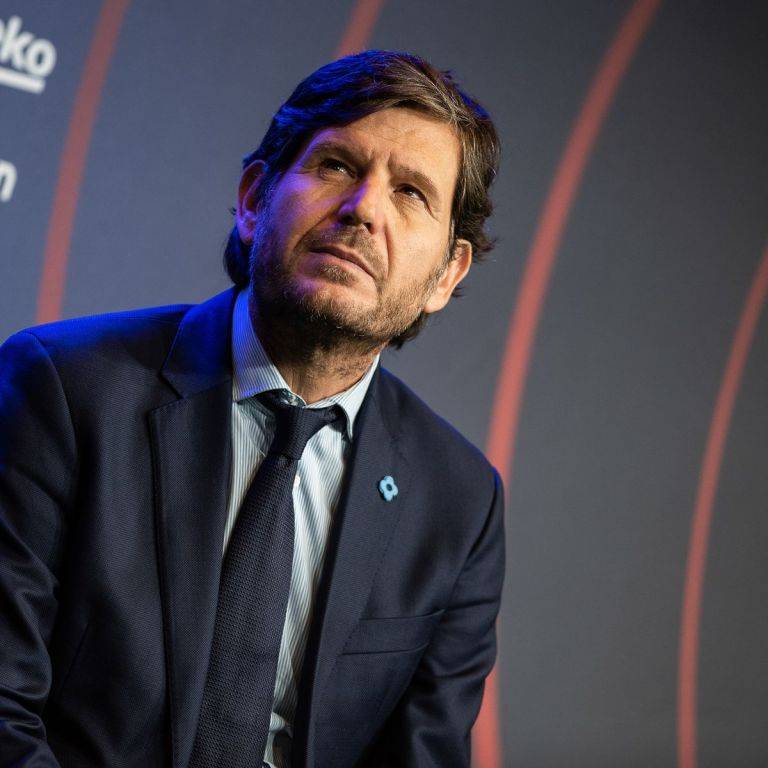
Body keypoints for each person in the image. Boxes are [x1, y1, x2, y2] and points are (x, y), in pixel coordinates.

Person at [0, 50, 504, 767]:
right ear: (252, 200)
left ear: (446, 275)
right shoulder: (63, 390)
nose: (364, 210)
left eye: (411, 193)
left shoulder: (460, 502)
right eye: (336, 165)